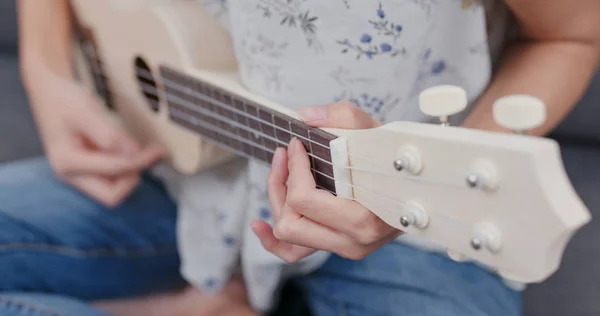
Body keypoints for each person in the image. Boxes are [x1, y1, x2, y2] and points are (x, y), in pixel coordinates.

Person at [1, 0, 599, 316]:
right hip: (170, 176)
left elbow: (572, 30)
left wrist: (413, 194)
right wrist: (47, 69)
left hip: (412, 222)